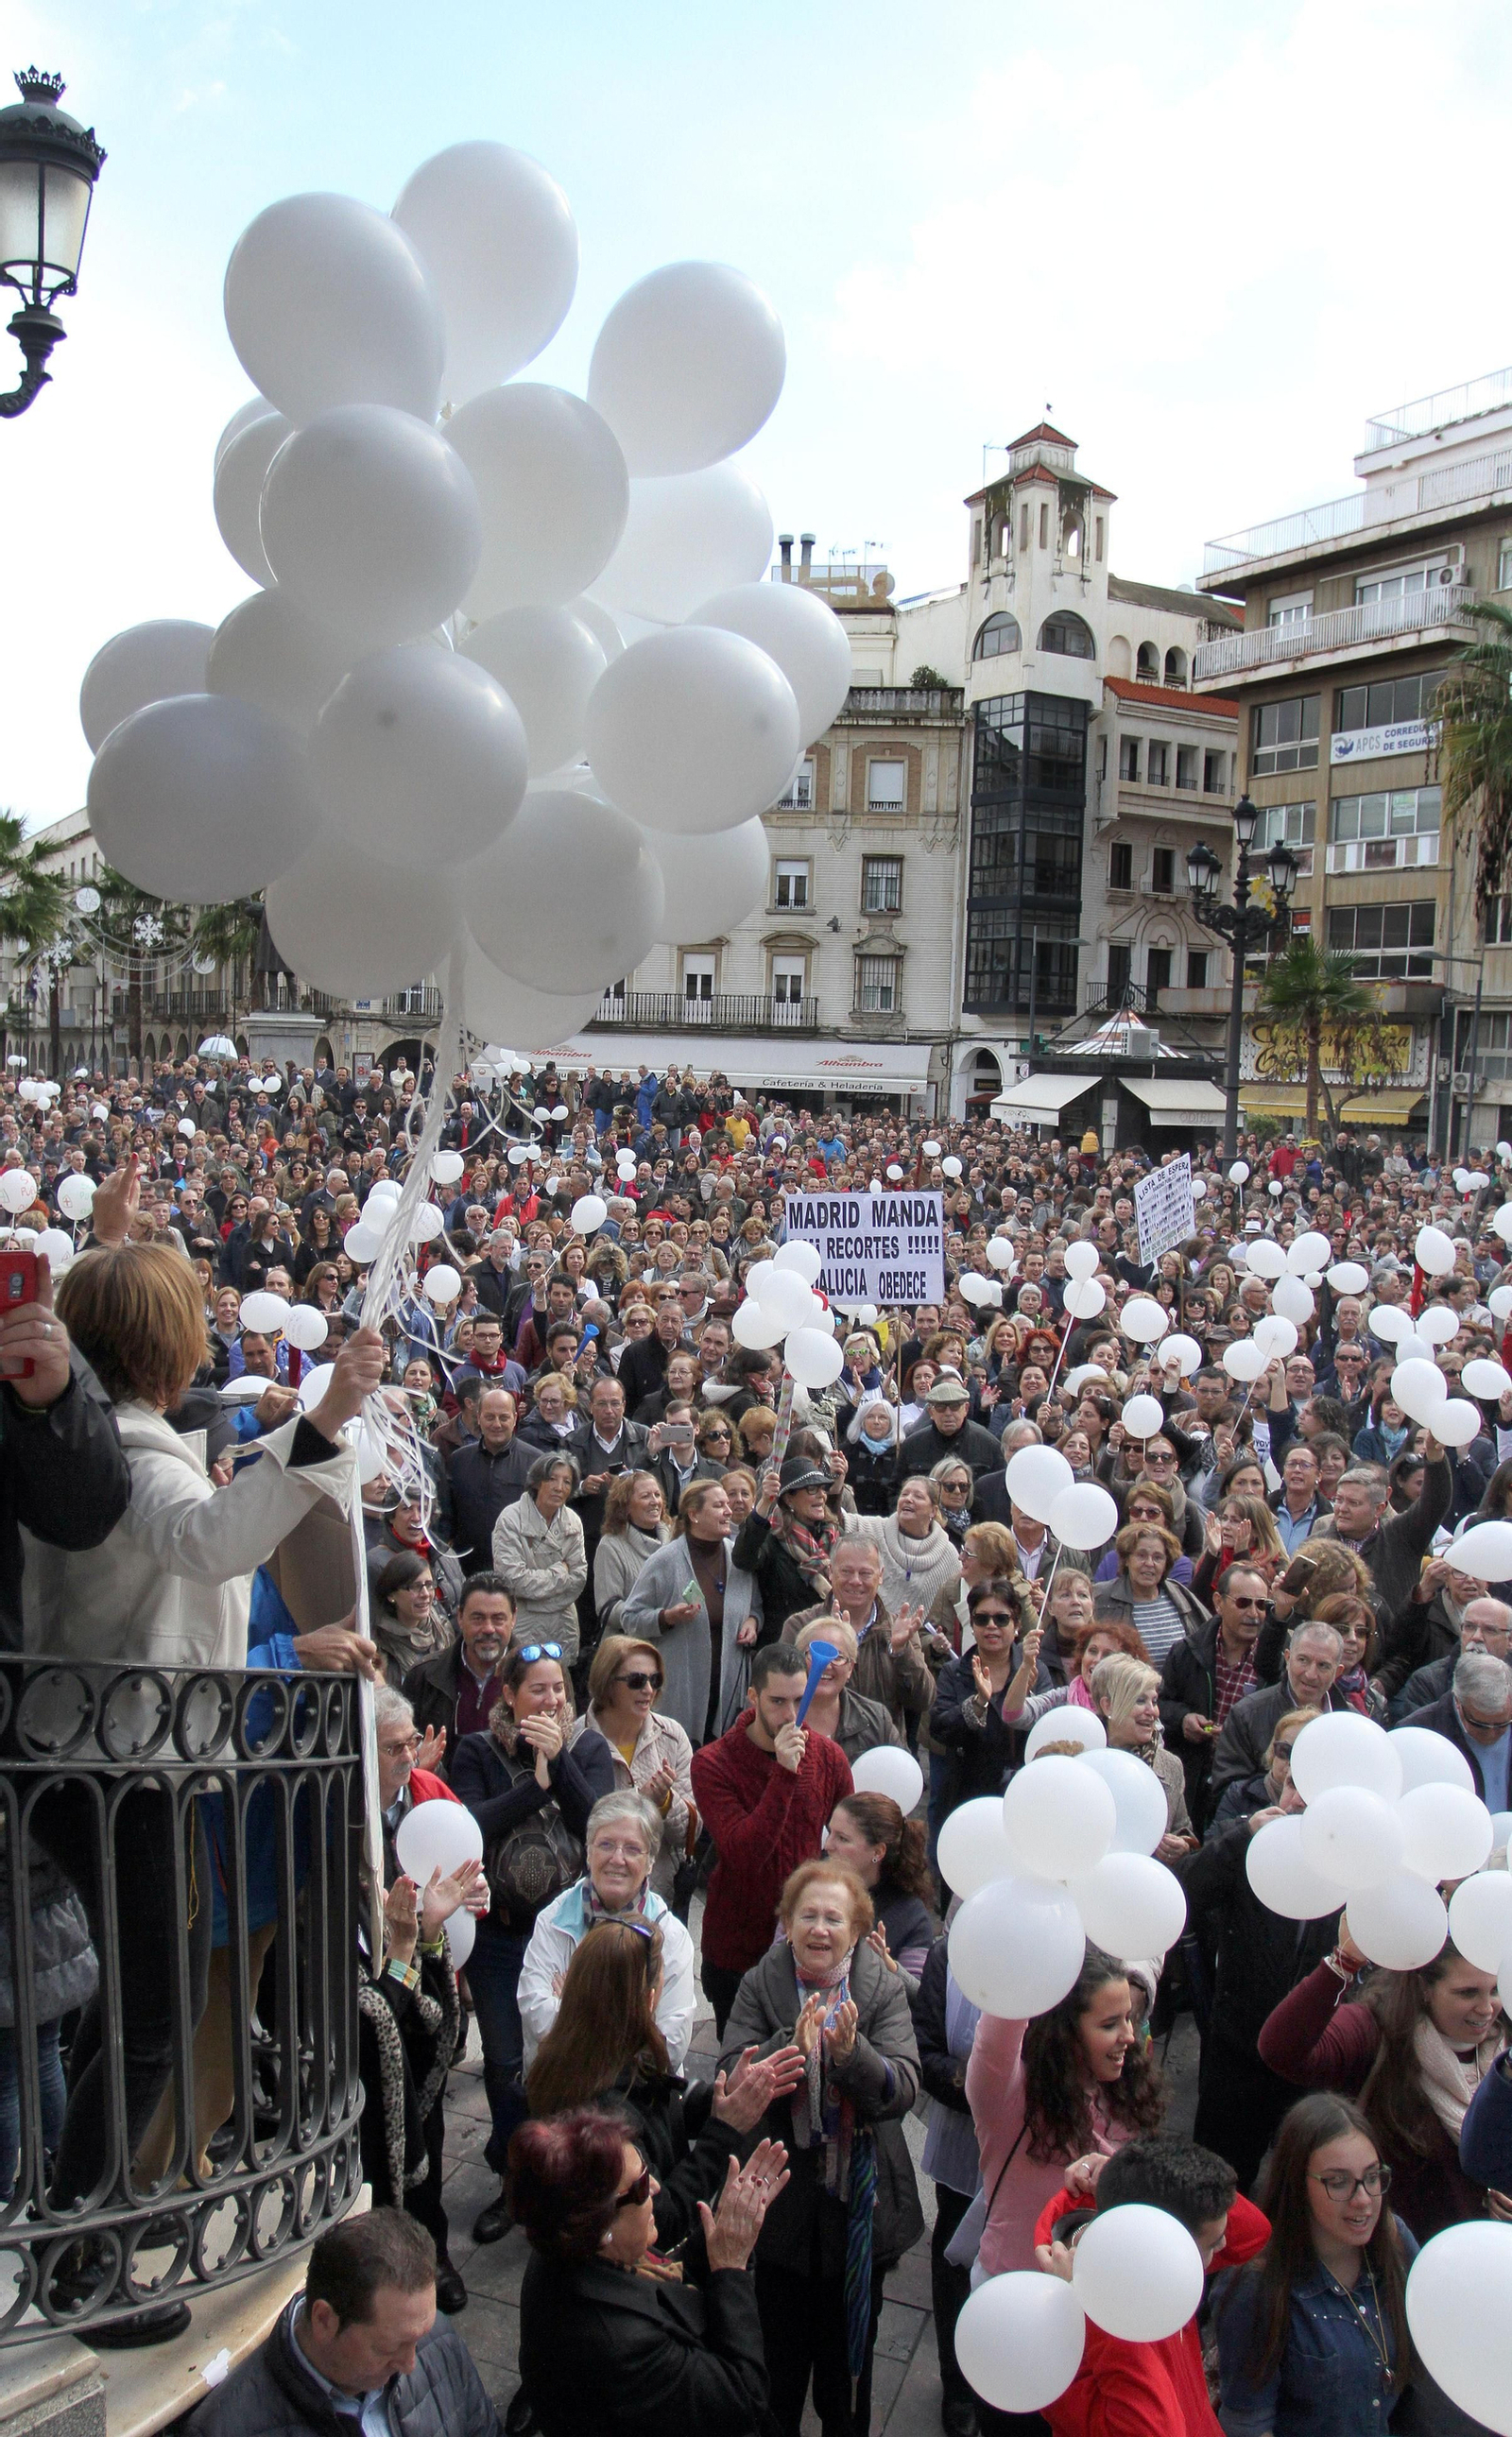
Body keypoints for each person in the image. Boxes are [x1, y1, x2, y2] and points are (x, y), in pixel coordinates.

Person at [27, 1244, 377, 2273]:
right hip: (134, 1768)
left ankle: (81, 2209)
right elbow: (207, 1542)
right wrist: (324, 1421)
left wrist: (112, 1243)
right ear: (163, 1344)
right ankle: (83, 2247)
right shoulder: (125, 1451)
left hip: (113, 1754)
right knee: (156, 2015)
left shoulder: (102, 1432)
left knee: (131, 2004)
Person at [719, 1857, 923, 2437]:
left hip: (859, 2209)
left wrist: (850, 2056)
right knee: (776, 2374)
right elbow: (733, 2074)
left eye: (834, 1918)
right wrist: (791, 2048)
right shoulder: (763, 1982)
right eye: (807, 1915)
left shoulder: (879, 1988)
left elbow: (904, 2084)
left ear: (857, 1929)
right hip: (781, 2210)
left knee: (846, 2379)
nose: (820, 1929)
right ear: (786, 1924)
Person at [451, 1639, 615, 2243]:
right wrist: (534, 1784)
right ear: (510, 1696)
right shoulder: (476, 1749)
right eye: (537, 1690)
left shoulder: (588, 1746)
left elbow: (597, 1821)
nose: (551, 1700)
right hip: (500, 1938)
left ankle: (567, 2169)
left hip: (569, 1933)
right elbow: (471, 1823)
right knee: (504, 2063)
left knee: (566, 2055)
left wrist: (559, 1766)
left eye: (558, 1690)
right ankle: (516, 2180)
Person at [524, 1918, 800, 2256]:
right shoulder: (603, 2115)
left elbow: (660, 2107)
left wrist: (718, 2097)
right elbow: (662, 2220)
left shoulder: (588, 2055)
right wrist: (723, 2131)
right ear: (650, 2000)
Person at [512, 2105, 782, 2437]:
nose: (655, 2186)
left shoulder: (571, 2245)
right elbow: (743, 2397)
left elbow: (670, 2283)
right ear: (600, 2224)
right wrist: (731, 2268)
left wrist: (722, 2235)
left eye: (644, 2166)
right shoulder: (622, 2347)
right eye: (638, 2187)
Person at [1257, 1920, 1511, 2238]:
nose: (1487, 2008)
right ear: (1423, 1988)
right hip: (1400, 2258)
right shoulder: (1376, 2031)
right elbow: (1281, 2050)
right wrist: (1344, 1962)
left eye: (1496, 1989)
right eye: (1467, 1993)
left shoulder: (1506, 2048)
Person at [184, 2206, 500, 2437]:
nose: (410, 2363)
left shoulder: (437, 2341)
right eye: (388, 2348)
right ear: (324, 2321)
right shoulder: (224, 2428)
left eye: (420, 2337)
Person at [1035, 2136, 1268, 2437]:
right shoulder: (1065, 2335)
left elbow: (1254, 2233)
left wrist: (1125, 2174)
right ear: (1161, 2245)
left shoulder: (1152, 2265)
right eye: (1211, 2243)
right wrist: (1099, 2306)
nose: (1225, 2244)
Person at [1215, 2094, 1418, 2437]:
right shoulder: (1257, 2286)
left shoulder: (1394, 2241)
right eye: (1338, 2182)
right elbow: (1247, 2424)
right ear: (1296, 2183)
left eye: (1372, 2177)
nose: (1363, 2200)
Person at [966, 1944, 1166, 2286]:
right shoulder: (1008, 2094)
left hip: (1102, 2298)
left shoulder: (1129, 2094)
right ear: (1065, 2030)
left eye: (1129, 2019)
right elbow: (999, 2026)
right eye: (1109, 2024)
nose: (1129, 2037)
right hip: (1013, 2294)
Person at [690, 1642, 853, 2036]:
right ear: (753, 1697)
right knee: (740, 2064)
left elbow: (851, 1839)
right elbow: (745, 1854)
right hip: (738, 1947)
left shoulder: (829, 1756)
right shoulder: (713, 1763)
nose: (790, 1715)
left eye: (800, 1700)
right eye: (778, 1701)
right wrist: (784, 1774)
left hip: (808, 1946)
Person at [518, 1791, 696, 2069]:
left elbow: (670, 2044)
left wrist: (573, 2004)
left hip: (636, 2097)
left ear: (650, 1861)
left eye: (633, 1849)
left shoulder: (670, 1935)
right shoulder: (553, 1919)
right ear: (588, 1852)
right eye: (606, 1844)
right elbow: (535, 2012)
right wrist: (635, 2018)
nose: (617, 1858)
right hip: (558, 2089)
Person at [622, 1478, 759, 1749]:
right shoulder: (665, 1561)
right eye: (719, 1505)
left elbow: (755, 1605)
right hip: (682, 1695)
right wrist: (666, 1618)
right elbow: (630, 1619)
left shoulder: (739, 1559)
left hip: (729, 1694)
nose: (729, 1511)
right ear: (694, 1515)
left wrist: (754, 1622)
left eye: (727, 1505)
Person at [913, 1931, 982, 2437]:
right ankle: (958, 2384)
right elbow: (927, 2053)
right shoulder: (947, 1955)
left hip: (1037, 2150)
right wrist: (982, 2085)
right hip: (966, 2144)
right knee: (955, 2253)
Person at [571, 1636, 696, 1902]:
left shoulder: (672, 1737)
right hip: (589, 1894)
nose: (648, 1690)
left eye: (656, 1680)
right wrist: (641, 1802)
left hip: (656, 1897)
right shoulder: (575, 1739)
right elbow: (573, 1825)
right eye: (636, 1681)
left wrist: (665, 1803)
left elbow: (690, 1835)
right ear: (607, 1682)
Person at [1158, 1562, 1267, 1828]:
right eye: (1243, 1603)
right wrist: (1184, 1719)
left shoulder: (1273, 1661)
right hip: (1193, 1775)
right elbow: (1161, 1704)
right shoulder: (1187, 1651)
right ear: (1219, 1602)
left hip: (1244, 1781)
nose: (1254, 1613)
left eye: (1262, 1605)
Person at [932, 1582, 1046, 1828]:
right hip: (966, 1794)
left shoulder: (1034, 1668)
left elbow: (1047, 1729)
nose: (991, 1626)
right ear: (972, 1626)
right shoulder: (955, 1672)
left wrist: (1025, 1694)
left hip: (1022, 1795)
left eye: (1001, 1619)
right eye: (982, 1619)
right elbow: (940, 1729)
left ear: (1016, 1625)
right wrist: (978, 1703)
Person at [1211, 1622, 1349, 1798]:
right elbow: (1227, 1793)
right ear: (1287, 1658)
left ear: (1338, 1672)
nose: (1310, 1674)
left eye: (1323, 1666)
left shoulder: (1353, 1725)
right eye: (1303, 1660)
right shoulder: (1247, 1715)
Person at [1088, 1655, 1195, 1857]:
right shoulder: (1082, 1758)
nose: (1152, 1711)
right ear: (1108, 1706)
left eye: (1154, 1701)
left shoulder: (1170, 1765)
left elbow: (1183, 1828)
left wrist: (1183, 1845)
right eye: (1140, 1700)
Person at [403, 1572, 516, 1765]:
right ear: (461, 1617)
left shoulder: (539, 1677)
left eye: (498, 1619)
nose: (488, 1628)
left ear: (513, 1618)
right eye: (478, 1619)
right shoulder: (424, 1677)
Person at [823, 1791, 935, 1983]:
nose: (828, 1845)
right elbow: (774, 1965)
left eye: (842, 1838)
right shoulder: (810, 1889)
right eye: (829, 1832)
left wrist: (887, 1966)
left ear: (878, 1851)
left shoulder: (910, 1915)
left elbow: (919, 1996)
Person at [491, 1450, 589, 1665]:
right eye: (552, 1479)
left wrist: (540, 1587)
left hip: (564, 1625)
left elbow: (579, 1578)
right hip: (525, 1625)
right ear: (536, 1482)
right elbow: (512, 1580)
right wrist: (559, 1572)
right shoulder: (510, 1519)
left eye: (567, 1482)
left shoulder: (573, 1521)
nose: (559, 1487)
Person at [734, 1452, 842, 1644]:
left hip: (827, 1644)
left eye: (823, 1488)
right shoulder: (773, 1538)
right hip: (784, 1647)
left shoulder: (835, 1535)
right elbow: (743, 1558)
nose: (821, 1495)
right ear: (789, 1500)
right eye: (811, 1489)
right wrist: (765, 1502)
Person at [1400, 1648, 1512, 1808]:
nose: (1492, 1733)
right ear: (1458, 1703)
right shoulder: (1419, 1731)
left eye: (1502, 1725)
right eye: (1481, 1725)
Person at [1092, 1521, 1208, 1667]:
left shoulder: (1181, 1595)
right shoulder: (1100, 1597)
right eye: (1141, 1555)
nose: (1149, 1563)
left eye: (1158, 1557)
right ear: (1126, 1559)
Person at [848, 1475, 963, 1620]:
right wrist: (837, 1488)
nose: (908, 1499)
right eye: (904, 1494)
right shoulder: (873, 1529)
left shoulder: (948, 1554)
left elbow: (957, 1605)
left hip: (917, 1639)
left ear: (933, 1511)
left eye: (918, 1496)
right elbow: (837, 1519)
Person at [792, 1617, 904, 1763]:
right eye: (815, 1653)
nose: (826, 1665)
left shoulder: (876, 1719)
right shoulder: (776, 1714)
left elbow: (900, 1769)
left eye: (837, 1657)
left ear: (850, 1668)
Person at [445, 1386, 533, 1571]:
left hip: (519, 1568)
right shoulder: (458, 1460)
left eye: (503, 1417)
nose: (497, 1424)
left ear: (515, 1418)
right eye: (489, 1417)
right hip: (466, 1568)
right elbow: (447, 1517)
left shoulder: (535, 1462)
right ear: (478, 1418)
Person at [592, 1469, 667, 1637]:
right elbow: (607, 1610)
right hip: (629, 1647)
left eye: (657, 1495)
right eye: (645, 1496)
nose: (655, 1502)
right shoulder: (610, 1546)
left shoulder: (675, 1539)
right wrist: (657, 1616)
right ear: (624, 1506)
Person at [370, 1548, 453, 1687]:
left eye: (429, 1585)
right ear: (391, 1595)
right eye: (415, 1587)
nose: (426, 1594)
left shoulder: (443, 1630)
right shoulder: (378, 1644)